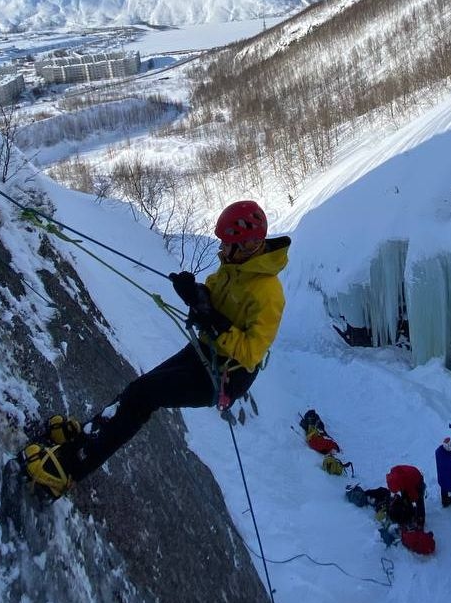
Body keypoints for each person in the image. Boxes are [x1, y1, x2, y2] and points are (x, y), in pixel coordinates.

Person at [23, 200, 289, 498]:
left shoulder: (269, 294)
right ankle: (84, 439)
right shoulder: (234, 267)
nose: (222, 250)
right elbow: (212, 299)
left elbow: (252, 351)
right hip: (206, 351)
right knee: (138, 389)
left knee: (143, 396)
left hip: (226, 375)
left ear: (249, 246)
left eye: (228, 244)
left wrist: (212, 320)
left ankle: (70, 469)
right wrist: (196, 294)